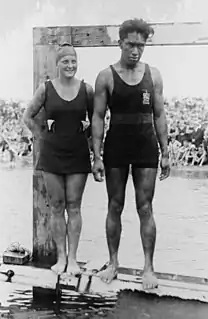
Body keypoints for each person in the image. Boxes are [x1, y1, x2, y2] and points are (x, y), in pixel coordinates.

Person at [92, 18, 170, 290]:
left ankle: (148, 268)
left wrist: (166, 152)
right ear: (120, 43)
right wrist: (97, 156)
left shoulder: (154, 75)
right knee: (115, 205)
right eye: (130, 45)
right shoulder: (105, 76)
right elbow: (98, 117)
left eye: (141, 45)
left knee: (145, 207)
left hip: (146, 146)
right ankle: (113, 263)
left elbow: (159, 114)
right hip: (116, 147)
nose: (135, 50)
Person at [23, 43, 93, 275]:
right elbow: (28, 116)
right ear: (57, 64)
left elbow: (98, 121)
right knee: (57, 207)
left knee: (74, 207)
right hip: (52, 155)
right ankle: (61, 258)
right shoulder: (46, 89)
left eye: (73, 61)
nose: (70, 65)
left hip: (78, 154)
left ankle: (73, 259)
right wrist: (41, 137)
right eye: (65, 61)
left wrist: (93, 146)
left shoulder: (87, 90)